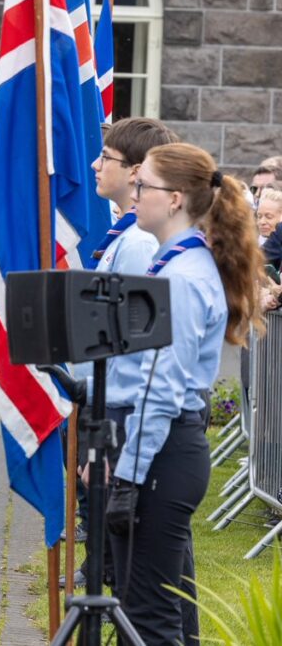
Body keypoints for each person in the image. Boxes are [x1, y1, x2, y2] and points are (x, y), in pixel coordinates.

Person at [106, 143, 261, 644]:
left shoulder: (183, 278)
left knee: (151, 615)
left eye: (143, 185)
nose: (135, 194)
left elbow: (161, 389)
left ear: (174, 199)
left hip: (164, 451)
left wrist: (128, 477)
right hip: (162, 448)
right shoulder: (175, 266)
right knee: (145, 606)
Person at [49, 117, 179, 589]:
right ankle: (98, 575)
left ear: (136, 171)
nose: (93, 164)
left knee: (116, 524)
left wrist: (110, 419)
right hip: (101, 395)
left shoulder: (139, 242)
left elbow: (136, 340)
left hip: (119, 401)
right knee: (96, 508)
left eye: (106, 158)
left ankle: (103, 585)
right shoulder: (123, 235)